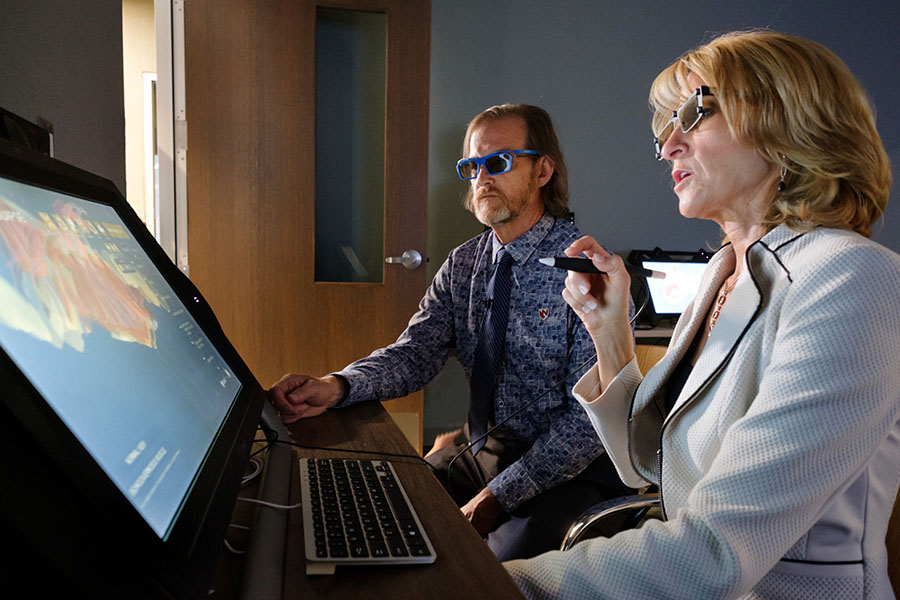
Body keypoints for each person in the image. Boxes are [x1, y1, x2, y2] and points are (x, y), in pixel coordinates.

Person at [505, 30, 900, 599]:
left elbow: (714, 550)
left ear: (789, 122)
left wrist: (491, 585)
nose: (668, 145)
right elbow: (649, 470)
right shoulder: (722, 272)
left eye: (695, 112)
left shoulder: (851, 278)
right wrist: (610, 333)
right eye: (665, 127)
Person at [269, 104, 633, 560]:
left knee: (486, 570)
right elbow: (414, 355)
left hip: (568, 470)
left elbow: (587, 427)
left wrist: (497, 497)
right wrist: (336, 385)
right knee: (378, 516)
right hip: (485, 452)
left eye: (498, 162)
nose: (482, 177)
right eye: (471, 166)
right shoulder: (463, 264)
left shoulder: (588, 271)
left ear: (543, 170)